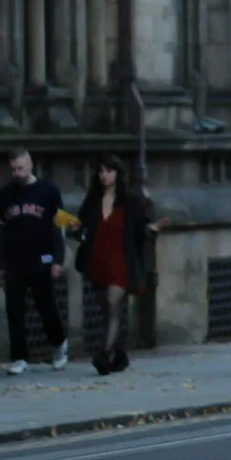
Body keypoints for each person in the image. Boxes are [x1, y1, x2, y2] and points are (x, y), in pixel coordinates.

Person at [76, 157, 161, 374]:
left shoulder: (129, 200)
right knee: (106, 310)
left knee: (114, 305)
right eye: (102, 171)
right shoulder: (93, 199)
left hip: (121, 263)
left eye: (110, 171)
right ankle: (120, 355)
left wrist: (150, 229)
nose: (105, 175)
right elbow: (81, 225)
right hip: (98, 262)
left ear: (118, 174)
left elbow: (140, 225)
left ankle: (103, 355)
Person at [0, 150, 66, 373]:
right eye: (14, 169)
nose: (17, 173)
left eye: (21, 168)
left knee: (46, 306)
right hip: (15, 260)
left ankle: (59, 344)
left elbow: (59, 227)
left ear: (31, 164)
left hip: (42, 258)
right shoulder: (4, 194)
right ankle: (19, 357)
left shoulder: (49, 191)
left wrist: (58, 259)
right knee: (14, 309)